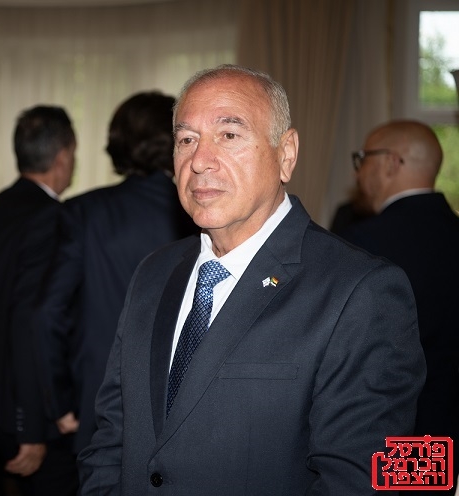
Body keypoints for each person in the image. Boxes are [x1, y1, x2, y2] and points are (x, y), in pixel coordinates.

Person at [78, 65, 426, 495]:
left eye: (229, 134)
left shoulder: (360, 292)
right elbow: (112, 438)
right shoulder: (154, 272)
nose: (199, 160)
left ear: (286, 154)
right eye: (186, 139)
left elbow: (359, 482)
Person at [32, 91, 197, 455]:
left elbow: (46, 313)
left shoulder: (82, 213)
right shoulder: (201, 214)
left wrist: (59, 401)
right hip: (187, 399)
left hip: (97, 396)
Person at [340, 120, 459, 495]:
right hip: (447, 440)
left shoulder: (361, 244)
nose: (359, 172)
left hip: (389, 441)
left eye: (363, 158)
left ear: (391, 162)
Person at [0, 105, 79, 496]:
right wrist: (31, 426)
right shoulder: (53, 218)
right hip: (31, 411)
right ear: (63, 157)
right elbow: (29, 322)